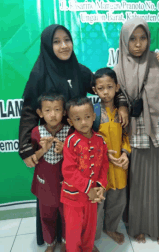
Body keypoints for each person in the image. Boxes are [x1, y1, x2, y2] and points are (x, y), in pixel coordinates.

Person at [18, 24, 129, 245]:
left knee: (78, 196)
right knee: (51, 198)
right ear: (48, 46)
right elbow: (29, 109)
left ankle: (78, 239)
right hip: (52, 146)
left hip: (78, 147)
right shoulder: (39, 73)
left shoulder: (79, 70)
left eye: (67, 40)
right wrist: (26, 147)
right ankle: (54, 241)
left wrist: (123, 104)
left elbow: (104, 86)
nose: (63, 45)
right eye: (57, 41)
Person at [114, 17, 159, 245]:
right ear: (124, 41)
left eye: (143, 38)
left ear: (149, 39)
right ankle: (140, 226)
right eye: (133, 39)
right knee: (141, 183)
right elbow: (121, 96)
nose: (138, 44)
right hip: (139, 133)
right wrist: (123, 107)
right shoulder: (118, 68)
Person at [61, 97, 109, 252]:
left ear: (93, 117)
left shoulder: (101, 140)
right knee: (73, 232)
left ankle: (88, 249)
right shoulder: (70, 141)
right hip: (73, 196)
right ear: (70, 121)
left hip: (93, 197)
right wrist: (89, 189)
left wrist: (101, 185)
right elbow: (69, 171)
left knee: (90, 229)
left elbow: (104, 165)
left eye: (87, 117)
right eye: (78, 119)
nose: (83, 122)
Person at [92, 68, 131, 245]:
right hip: (100, 166)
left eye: (109, 87)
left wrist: (125, 153)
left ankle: (111, 227)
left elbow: (126, 135)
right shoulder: (93, 113)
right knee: (98, 203)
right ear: (95, 90)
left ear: (117, 87)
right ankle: (94, 236)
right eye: (101, 88)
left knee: (118, 200)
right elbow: (89, 139)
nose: (106, 92)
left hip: (119, 166)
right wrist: (103, 153)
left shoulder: (122, 112)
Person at [31, 92, 71, 252]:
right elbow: (30, 160)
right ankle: (50, 242)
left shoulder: (70, 132)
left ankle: (66, 241)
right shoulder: (36, 132)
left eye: (57, 109)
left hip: (65, 185)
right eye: (47, 110)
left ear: (64, 112)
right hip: (44, 184)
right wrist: (43, 150)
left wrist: (65, 151)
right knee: (46, 217)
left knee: (67, 216)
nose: (53, 114)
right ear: (40, 113)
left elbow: (77, 160)